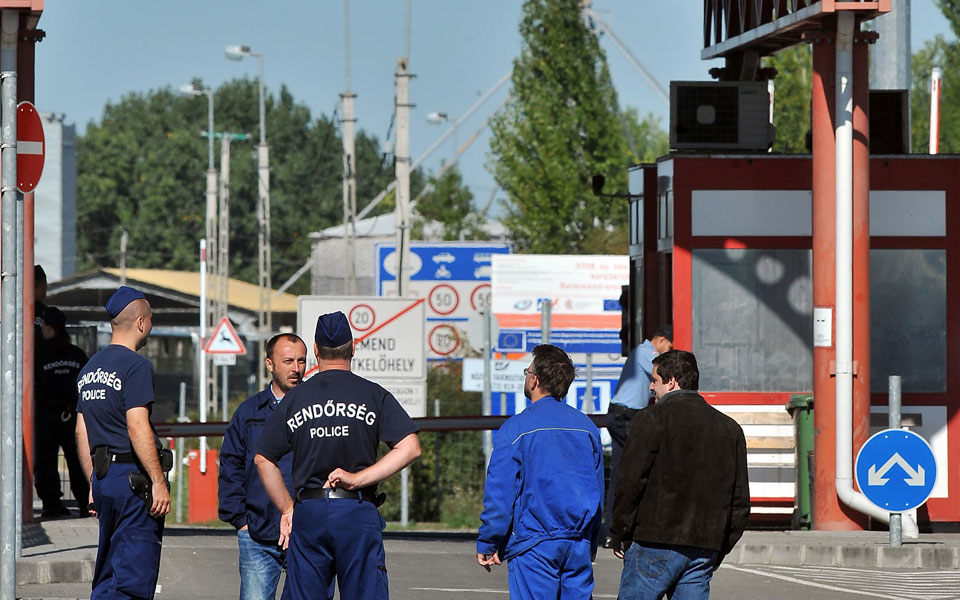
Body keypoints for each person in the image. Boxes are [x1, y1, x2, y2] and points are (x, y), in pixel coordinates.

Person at [255, 311, 421, 600]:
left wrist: (286, 509)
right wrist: (357, 479)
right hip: (357, 510)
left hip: (310, 511)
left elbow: (263, 458)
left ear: (316, 351)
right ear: (353, 348)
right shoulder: (373, 394)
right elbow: (410, 447)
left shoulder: (295, 398)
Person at [610, 350, 750, 600]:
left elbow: (629, 482)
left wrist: (620, 532)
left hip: (653, 540)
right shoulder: (730, 429)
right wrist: (720, 547)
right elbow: (739, 502)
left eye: (654, 380)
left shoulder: (651, 418)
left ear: (672, 381)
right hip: (704, 545)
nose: (651, 387)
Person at [477, 344, 604, 600]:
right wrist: (591, 542)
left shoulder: (516, 428)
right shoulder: (588, 428)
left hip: (534, 543)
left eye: (527, 371)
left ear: (534, 380)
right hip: (578, 542)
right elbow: (597, 490)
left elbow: (500, 492)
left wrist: (489, 541)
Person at [76, 286, 172, 600]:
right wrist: (158, 481)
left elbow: (81, 431)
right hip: (133, 482)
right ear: (142, 323)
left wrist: (93, 480)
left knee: (108, 573)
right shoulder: (136, 366)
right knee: (133, 575)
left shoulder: (89, 369)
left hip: (105, 478)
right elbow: (137, 424)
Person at [219, 333, 307, 600]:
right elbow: (230, 465)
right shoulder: (249, 412)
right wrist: (241, 521)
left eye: (302, 361)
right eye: (288, 361)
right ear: (270, 364)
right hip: (257, 534)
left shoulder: (316, 409)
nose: (296, 368)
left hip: (306, 533)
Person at [602, 324, 672, 547]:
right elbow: (664, 373)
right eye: (669, 346)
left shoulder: (640, 352)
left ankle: (611, 530)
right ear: (660, 340)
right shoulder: (646, 352)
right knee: (641, 467)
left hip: (619, 414)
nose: (668, 351)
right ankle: (629, 526)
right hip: (626, 416)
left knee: (621, 472)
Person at [35, 307, 90, 518]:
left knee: (46, 461)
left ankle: (52, 505)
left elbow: (36, 386)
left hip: (47, 416)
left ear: (48, 328)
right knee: (77, 459)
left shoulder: (39, 354)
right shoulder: (76, 354)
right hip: (73, 414)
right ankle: (86, 503)